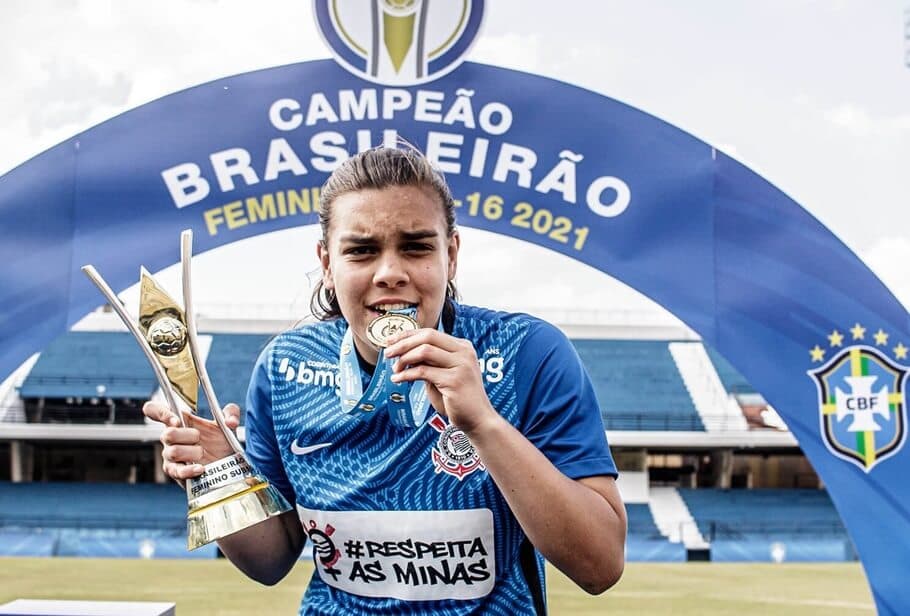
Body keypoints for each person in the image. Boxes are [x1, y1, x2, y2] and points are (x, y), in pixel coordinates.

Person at [143, 145, 626, 615]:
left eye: (416, 247)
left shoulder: (527, 352)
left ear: (451, 255)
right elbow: (270, 561)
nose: (390, 273)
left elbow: (600, 566)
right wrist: (216, 478)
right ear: (328, 264)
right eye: (362, 251)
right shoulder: (284, 366)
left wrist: (483, 425)